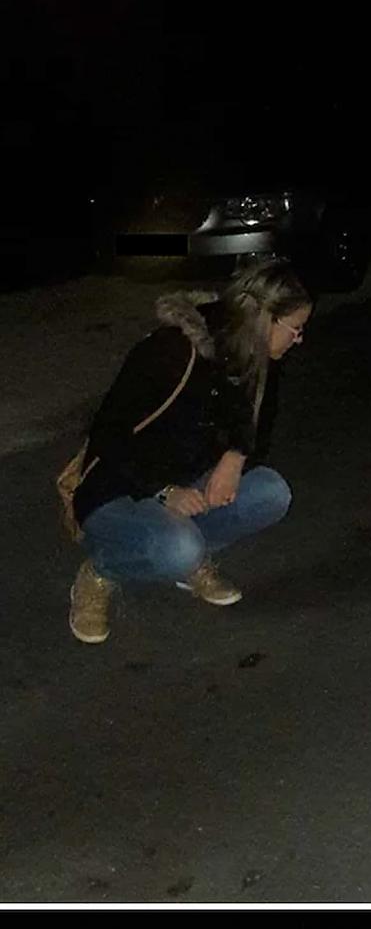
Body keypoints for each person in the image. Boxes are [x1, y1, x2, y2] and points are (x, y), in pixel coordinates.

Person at [68, 258, 312, 644]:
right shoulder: (173, 352)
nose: (299, 340)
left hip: (188, 483)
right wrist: (164, 491)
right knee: (179, 547)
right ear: (265, 318)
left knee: (271, 492)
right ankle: (102, 570)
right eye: (295, 329)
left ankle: (188, 560)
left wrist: (234, 457)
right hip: (121, 488)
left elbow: (257, 438)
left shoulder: (257, 358)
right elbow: (107, 437)